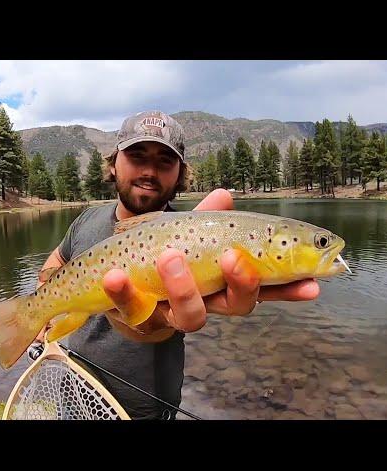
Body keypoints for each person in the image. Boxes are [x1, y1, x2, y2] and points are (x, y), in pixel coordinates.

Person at [35, 110, 319, 420]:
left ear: (180, 174)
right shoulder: (85, 220)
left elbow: (159, 328)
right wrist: (40, 312)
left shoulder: (194, 235)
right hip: (71, 388)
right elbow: (55, 265)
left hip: (144, 410)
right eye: (137, 156)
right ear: (113, 163)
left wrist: (150, 327)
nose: (149, 171)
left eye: (164, 162)